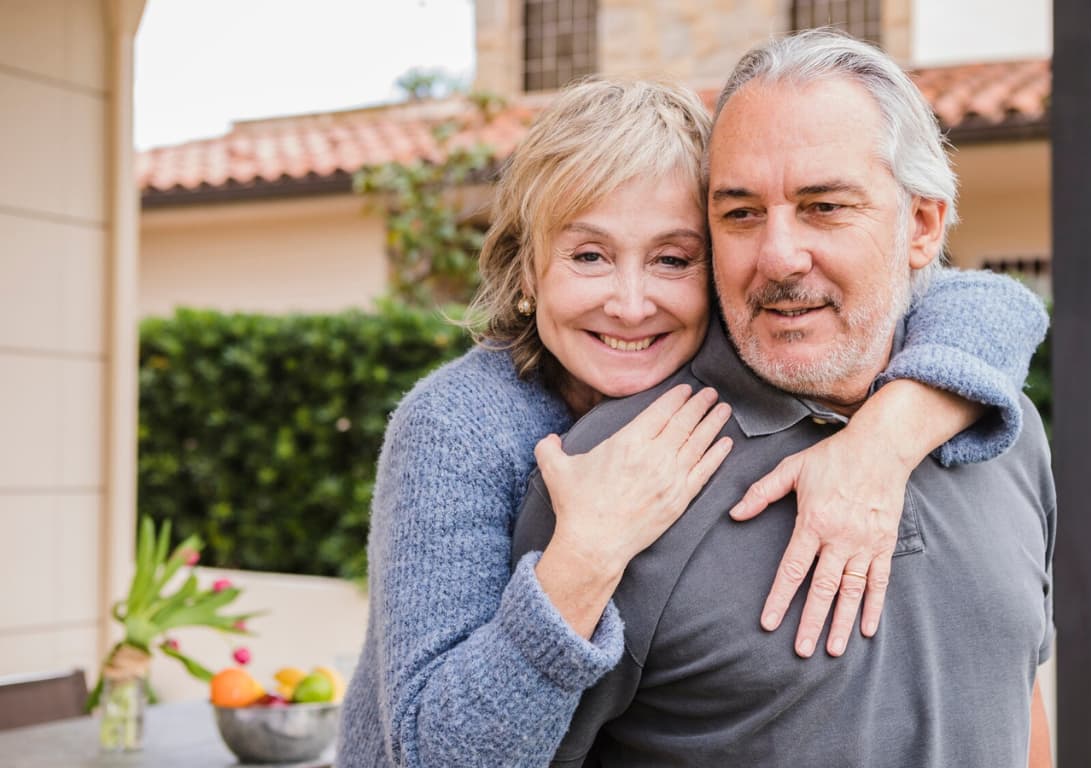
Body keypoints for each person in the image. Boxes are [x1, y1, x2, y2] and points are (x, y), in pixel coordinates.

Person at [338, 73, 1047, 767]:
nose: (631, 302)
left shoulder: (935, 385)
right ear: (528, 271)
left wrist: (884, 443)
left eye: (672, 258)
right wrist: (588, 553)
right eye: (589, 255)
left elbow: (992, 304)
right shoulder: (463, 424)